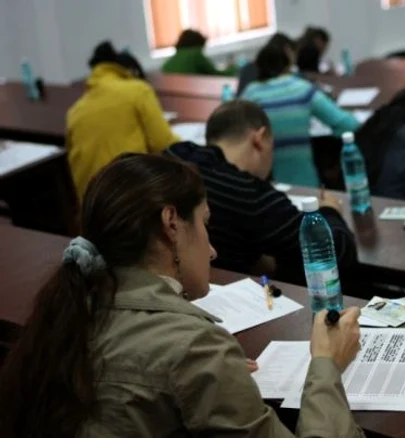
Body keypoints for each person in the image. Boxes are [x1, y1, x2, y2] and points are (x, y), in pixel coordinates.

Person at [0, 153, 364, 438]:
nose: (212, 251)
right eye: (205, 224)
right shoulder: (193, 347)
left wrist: (217, 378)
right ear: (172, 224)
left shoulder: (69, 311)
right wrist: (326, 363)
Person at [165, 100, 357, 285]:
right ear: (259, 138)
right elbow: (336, 250)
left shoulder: (173, 157)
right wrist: (329, 210)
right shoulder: (251, 195)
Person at [66, 41, 179, 201]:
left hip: (90, 204)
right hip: (129, 198)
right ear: (132, 72)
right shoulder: (137, 90)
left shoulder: (75, 110)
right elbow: (163, 143)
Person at [242, 44, 360, 187]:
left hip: (263, 188)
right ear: (288, 65)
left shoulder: (250, 94)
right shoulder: (301, 88)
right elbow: (348, 124)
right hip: (305, 185)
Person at [161, 29, 238, 75]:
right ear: (198, 44)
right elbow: (216, 74)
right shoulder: (195, 55)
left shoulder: (167, 64)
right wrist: (234, 68)